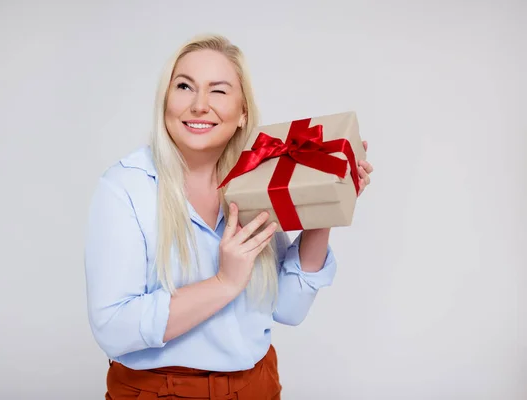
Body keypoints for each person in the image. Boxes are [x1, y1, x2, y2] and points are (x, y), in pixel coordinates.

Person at [84, 33, 373, 399]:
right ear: (165, 101)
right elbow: (113, 327)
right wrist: (224, 282)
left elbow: (288, 308)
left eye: (218, 91)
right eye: (185, 86)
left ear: (242, 114)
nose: (199, 105)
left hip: (256, 385)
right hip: (159, 391)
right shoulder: (124, 187)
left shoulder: (256, 180)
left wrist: (326, 198)